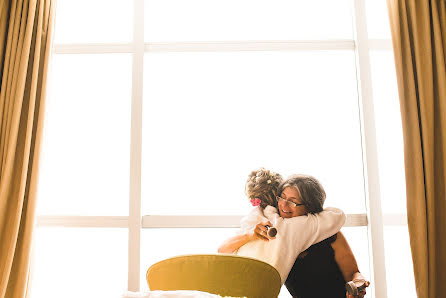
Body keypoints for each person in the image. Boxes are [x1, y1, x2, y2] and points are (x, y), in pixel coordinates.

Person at [218, 170, 370, 298]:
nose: (283, 205)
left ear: (309, 206)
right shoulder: (274, 230)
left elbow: (354, 273)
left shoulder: (330, 234)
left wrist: (358, 284)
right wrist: (250, 235)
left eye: (292, 201)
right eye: (282, 197)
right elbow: (223, 249)